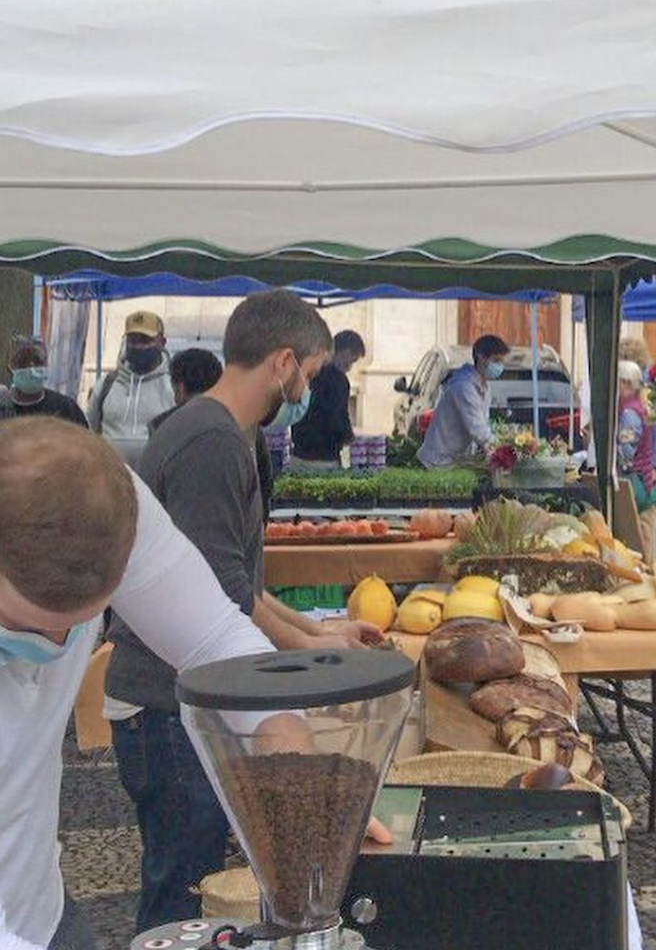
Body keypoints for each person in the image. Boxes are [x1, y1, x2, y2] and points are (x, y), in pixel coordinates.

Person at [105, 291, 383, 933]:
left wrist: (320, 633)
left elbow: (235, 585)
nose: (308, 390)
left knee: (187, 880)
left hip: (181, 702)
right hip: (169, 710)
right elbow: (224, 600)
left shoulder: (219, 431)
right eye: (310, 376)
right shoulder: (213, 444)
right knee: (182, 898)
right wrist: (308, 657)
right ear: (283, 363)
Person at [0, 417, 278, 950]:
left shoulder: (100, 501)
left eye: (80, 621)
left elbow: (216, 640)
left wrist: (291, 765)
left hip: (42, 906)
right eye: (26, 625)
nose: (55, 645)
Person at [151, 347, 275, 514]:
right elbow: (264, 485)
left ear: (179, 388)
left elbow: (153, 488)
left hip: (178, 528)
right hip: (234, 527)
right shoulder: (247, 425)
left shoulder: (162, 428)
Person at [86, 310, 175, 469]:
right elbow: (90, 430)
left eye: (145, 340)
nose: (138, 346)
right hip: (111, 480)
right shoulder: (106, 384)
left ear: (162, 342)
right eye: (133, 340)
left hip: (156, 481)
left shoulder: (174, 386)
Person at [417, 334, 509, 467]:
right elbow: (478, 430)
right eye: (496, 360)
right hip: (437, 462)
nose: (499, 366)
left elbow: (483, 425)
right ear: (481, 357)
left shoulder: (484, 387)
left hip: (455, 461)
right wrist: (506, 449)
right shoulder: (463, 387)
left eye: (501, 361)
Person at [291, 329, 366, 468]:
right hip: (324, 457)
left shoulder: (308, 372)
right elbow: (338, 416)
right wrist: (349, 437)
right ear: (346, 353)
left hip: (298, 454)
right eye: (352, 361)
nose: (350, 367)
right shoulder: (339, 380)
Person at [617, 359, 656, 566]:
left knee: (641, 540)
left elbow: (626, 452)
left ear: (625, 383)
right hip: (644, 479)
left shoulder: (629, 413)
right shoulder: (636, 408)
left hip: (637, 483)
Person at [0, 335, 87, 426]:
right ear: (12, 367)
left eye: (37, 361)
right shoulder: (4, 409)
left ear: (46, 365)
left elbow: (85, 438)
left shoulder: (67, 409)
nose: (31, 368)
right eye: (23, 361)